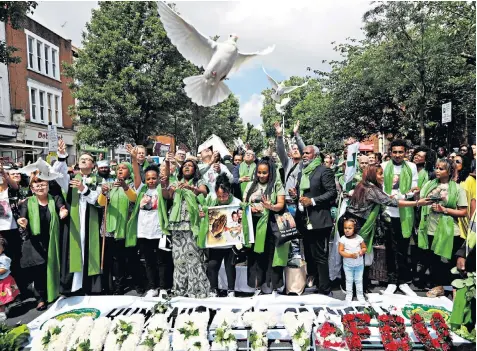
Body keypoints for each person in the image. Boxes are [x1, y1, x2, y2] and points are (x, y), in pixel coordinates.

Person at [343, 165, 431, 292]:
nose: (383, 176)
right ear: (372, 175)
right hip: (357, 224)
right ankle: (355, 288)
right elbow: (392, 202)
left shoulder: (365, 185)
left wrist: (407, 194)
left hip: (354, 222)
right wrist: (418, 203)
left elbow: (387, 198)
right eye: (379, 174)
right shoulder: (371, 189)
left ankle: (358, 287)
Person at [126, 146, 172, 298]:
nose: (151, 181)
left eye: (154, 178)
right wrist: (134, 159)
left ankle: (164, 287)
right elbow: (136, 174)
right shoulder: (142, 189)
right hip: (144, 232)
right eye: (149, 178)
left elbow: (167, 192)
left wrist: (167, 166)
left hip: (159, 232)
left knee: (162, 261)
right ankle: (153, 287)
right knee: (149, 261)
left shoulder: (161, 189)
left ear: (158, 178)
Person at [418, 158, 468, 298]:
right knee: (434, 262)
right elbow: (421, 202)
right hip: (430, 229)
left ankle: (453, 290)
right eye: (436, 168)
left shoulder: (457, 188)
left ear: (450, 171)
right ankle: (439, 287)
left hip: (450, 231)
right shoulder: (429, 184)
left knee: (449, 263)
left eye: (441, 169)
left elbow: (463, 212)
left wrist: (444, 210)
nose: (437, 171)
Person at [17, 175, 68, 310]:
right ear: (32, 189)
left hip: (53, 240)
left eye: (42, 184)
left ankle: (56, 292)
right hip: (35, 241)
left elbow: (61, 207)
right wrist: (23, 221)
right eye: (36, 185)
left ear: (48, 186)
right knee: (39, 270)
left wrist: (63, 211)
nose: (40, 187)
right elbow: (23, 216)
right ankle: (40, 298)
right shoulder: (28, 202)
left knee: (53, 267)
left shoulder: (55, 198)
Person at [57, 151, 103, 295]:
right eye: (81, 159)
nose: (83, 161)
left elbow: (98, 201)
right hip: (74, 222)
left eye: (87, 159)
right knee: (74, 252)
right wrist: (61, 155)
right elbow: (59, 172)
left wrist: (84, 189)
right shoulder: (70, 179)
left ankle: (91, 287)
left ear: (93, 165)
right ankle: (72, 287)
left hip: (91, 221)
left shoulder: (99, 180)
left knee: (90, 250)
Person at [293, 146, 337, 296]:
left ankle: (325, 289)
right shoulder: (302, 173)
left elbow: (332, 193)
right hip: (305, 221)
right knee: (309, 255)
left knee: (319, 255)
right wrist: (295, 196)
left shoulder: (324, 171)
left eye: (307, 153)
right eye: (303, 153)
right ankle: (315, 281)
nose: (304, 155)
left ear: (315, 155)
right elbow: (302, 196)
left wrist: (312, 201)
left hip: (319, 220)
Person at [163, 159, 209, 298]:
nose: (187, 167)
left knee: (194, 257)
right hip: (177, 224)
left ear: (195, 170)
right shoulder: (175, 183)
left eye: (190, 166)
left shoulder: (198, 182)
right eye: (185, 165)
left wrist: (190, 188)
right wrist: (164, 185)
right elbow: (168, 195)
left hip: (193, 223)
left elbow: (204, 192)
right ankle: (180, 290)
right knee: (178, 259)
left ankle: (197, 291)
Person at [243, 157, 287, 296]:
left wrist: (270, 206)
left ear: (270, 173)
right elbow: (244, 204)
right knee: (255, 256)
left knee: (270, 255)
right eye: (259, 172)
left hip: (270, 225)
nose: (261, 175)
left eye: (264, 173)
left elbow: (281, 204)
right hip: (253, 225)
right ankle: (256, 286)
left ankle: (271, 286)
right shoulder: (250, 185)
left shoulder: (276, 185)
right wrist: (250, 208)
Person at [381, 139, 419, 296]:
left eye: (400, 152)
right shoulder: (383, 167)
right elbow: (380, 188)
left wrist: (403, 195)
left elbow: (415, 188)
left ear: (405, 153)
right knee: (390, 248)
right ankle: (391, 281)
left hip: (405, 212)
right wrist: (388, 197)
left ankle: (403, 282)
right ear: (390, 153)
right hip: (388, 212)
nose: (397, 155)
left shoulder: (411, 167)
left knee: (403, 248)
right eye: (394, 152)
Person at [98, 161, 138, 295]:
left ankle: (122, 285)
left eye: (124, 168)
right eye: (118, 168)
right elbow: (101, 203)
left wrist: (125, 187)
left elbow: (133, 199)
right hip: (109, 228)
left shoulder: (133, 185)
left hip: (125, 228)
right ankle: (109, 286)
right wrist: (103, 193)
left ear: (130, 171)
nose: (120, 170)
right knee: (110, 259)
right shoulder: (109, 185)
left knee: (123, 259)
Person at [199, 174, 242, 297]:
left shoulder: (236, 202)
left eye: (224, 195)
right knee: (213, 265)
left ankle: (231, 290)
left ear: (229, 192)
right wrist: (202, 214)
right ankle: (213, 289)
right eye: (219, 196)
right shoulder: (211, 200)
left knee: (230, 266)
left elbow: (241, 220)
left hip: (231, 242)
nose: (222, 198)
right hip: (215, 242)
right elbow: (202, 213)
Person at [339, 218, 367, 303]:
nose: (347, 230)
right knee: (349, 280)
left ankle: (360, 295)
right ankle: (349, 295)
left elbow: (364, 247)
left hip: (359, 265)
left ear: (355, 228)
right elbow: (341, 251)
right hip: (348, 265)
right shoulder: (343, 239)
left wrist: (362, 251)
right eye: (345, 228)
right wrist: (350, 255)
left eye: (349, 228)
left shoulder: (359, 238)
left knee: (359, 280)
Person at [0, 238, 19, 321]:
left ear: (3, 248)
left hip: (3, 282)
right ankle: (3, 309)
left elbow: (5, 268)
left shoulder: (4, 258)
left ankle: (2, 314)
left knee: (1, 300)